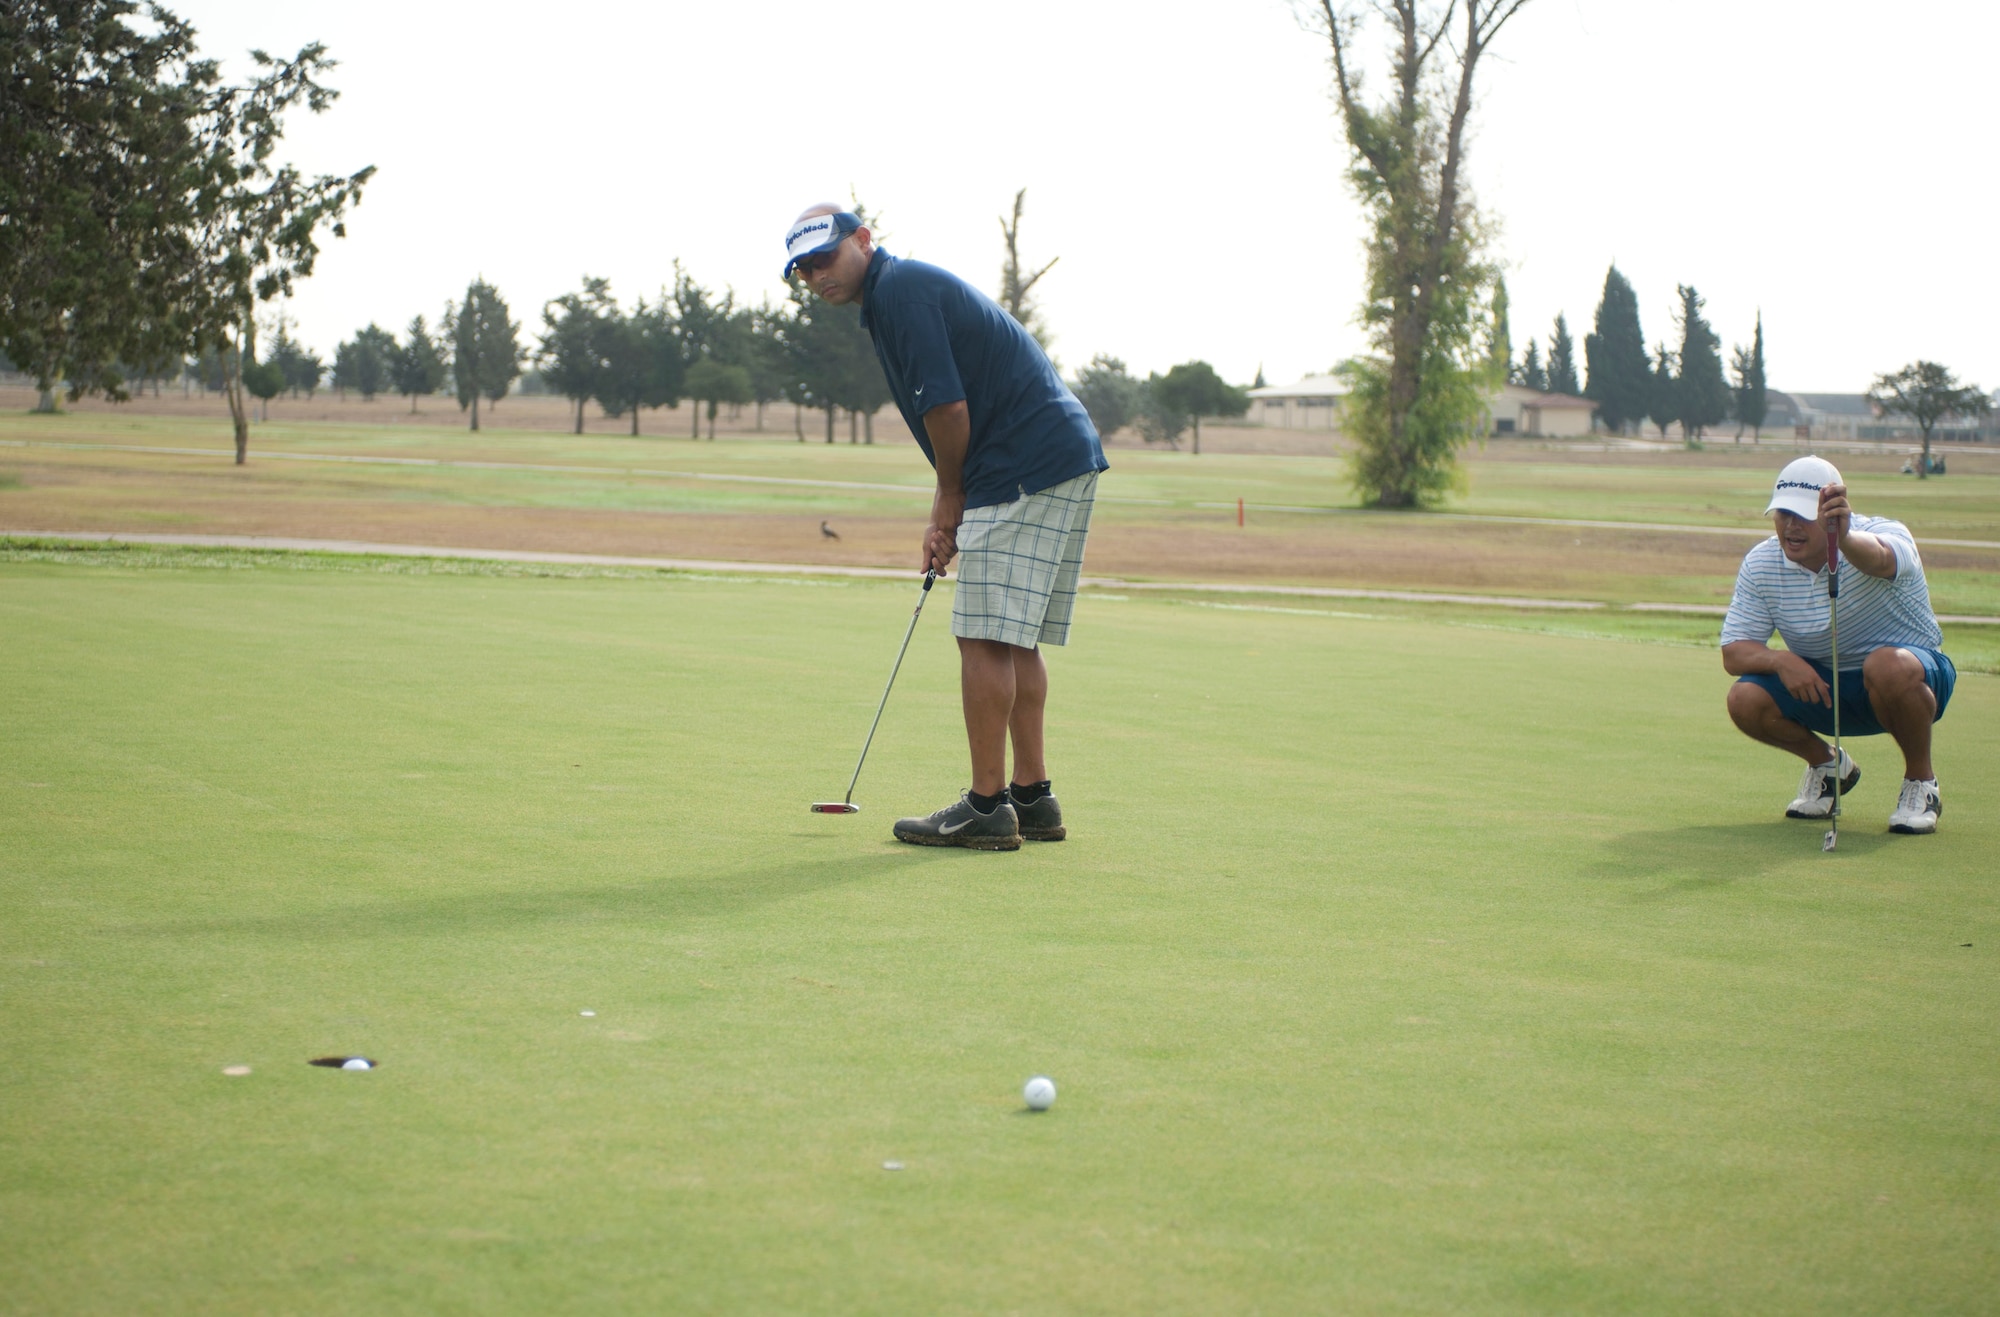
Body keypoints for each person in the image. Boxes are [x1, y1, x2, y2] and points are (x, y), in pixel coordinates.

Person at [782, 205, 1109, 851]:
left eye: (826, 256)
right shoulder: (896, 296)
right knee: (1012, 636)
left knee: (984, 634)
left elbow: (949, 407)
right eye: (804, 269)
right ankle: (1032, 796)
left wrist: (949, 499)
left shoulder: (898, 290)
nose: (817, 275)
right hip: (1054, 455)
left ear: (863, 240)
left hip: (1021, 460)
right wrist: (952, 501)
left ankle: (987, 807)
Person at [1721, 456, 1956, 834]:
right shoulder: (1762, 562)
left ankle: (1921, 784)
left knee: (1886, 665)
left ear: (1833, 515)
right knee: (1744, 698)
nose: (1791, 527)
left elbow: (1880, 559)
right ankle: (1829, 767)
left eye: (1803, 516)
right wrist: (1780, 660)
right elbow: (1734, 651)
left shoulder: (1884, 533)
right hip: (1826, 686)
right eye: (1783, 514)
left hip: (1913, 678)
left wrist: (1843, 539)